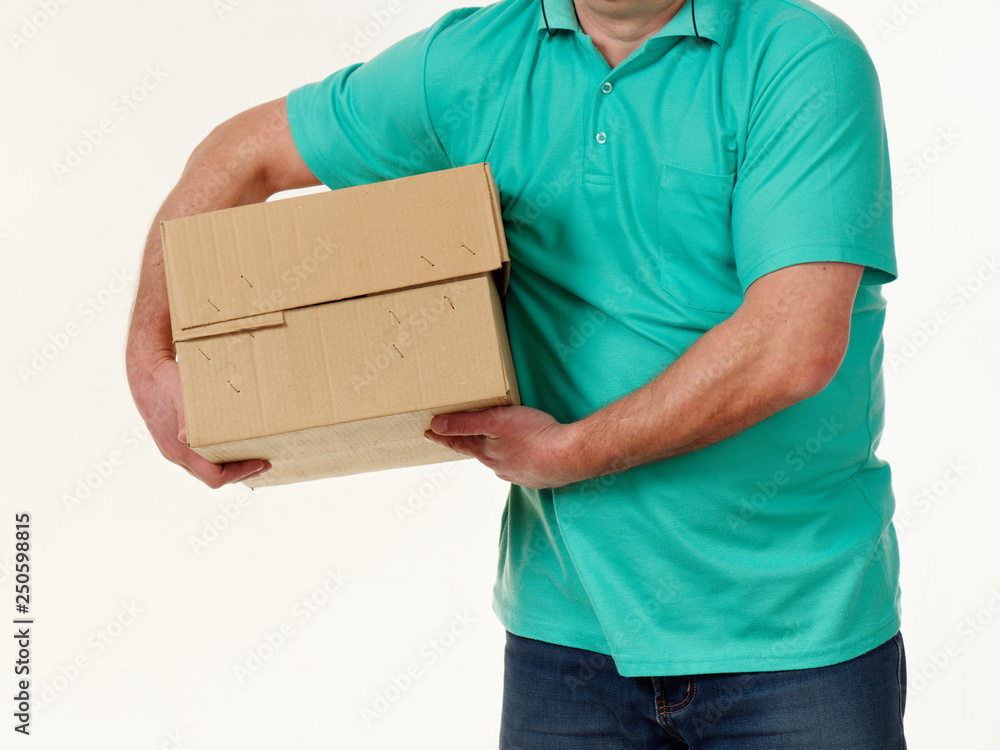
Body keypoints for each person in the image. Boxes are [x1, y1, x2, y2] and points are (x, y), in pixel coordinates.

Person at [126, 0, 907, 746]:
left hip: (796, 637)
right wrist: (149, 361)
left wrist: (567, 453)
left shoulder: (800, 59)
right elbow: (241, 153)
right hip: (566, 637)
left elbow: (790, 346)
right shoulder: (473, 61)